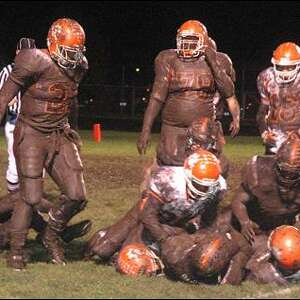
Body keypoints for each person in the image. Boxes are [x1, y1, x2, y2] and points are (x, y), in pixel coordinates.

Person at [0, 18, 88, 270]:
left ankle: (50, 235)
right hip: (32, 133)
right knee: (30, 196)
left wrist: (71, 127)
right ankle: (16, 251)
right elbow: (4, 97)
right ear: (52, 43)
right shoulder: (33, 59)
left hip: (59, 133)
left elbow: (70, 100)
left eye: (76, 51)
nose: (72, 57)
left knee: (76, 195)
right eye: (67, 50)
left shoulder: (80, 66)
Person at [85, 150, 227, 263]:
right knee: (103, 250)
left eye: (207, 186)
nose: (203, 189)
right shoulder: (167, 179)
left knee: (156, 256)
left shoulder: (218, 187)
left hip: (177, 221)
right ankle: (97, 242)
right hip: (148, 212)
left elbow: (209, 219)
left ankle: (125, 250)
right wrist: (163, 239)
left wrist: (199, 237)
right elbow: (147, 215)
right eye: (199, 184)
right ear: (187, 174)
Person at [137, 20, 240, 167]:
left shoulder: (220, 60)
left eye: (192, 41)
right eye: (184, 40)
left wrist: (212, 61)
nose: (187, 45)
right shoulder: (167, 59)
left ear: (203, 41)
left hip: (204, 129)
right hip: (173, 127)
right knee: (170, 167)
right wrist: (145, 130)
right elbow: (156, 98)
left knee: (205, 169)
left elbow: (229, 93)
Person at [231, 133, 300, 245]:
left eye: (292, 174)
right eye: (284, 172)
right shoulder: (259, 173)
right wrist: (245, 222)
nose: (286, 178)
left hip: (285, 227)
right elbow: (239, 201)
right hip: (258, 224)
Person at [0, 38, 36, 192]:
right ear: (17, 53)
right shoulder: (7, 71)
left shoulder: (39, 73)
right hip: (15, 121)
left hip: (34, 123)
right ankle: (13, 202)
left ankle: (29, 201)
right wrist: (8, 99)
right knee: (15, 164)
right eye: (24, 53)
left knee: (35, 164)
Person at [256, 42, 300, 154]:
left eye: (290, 67)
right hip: (276, 138)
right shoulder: (266, 77)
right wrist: (264, 133)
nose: (285, 72)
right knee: (272, 170)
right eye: (281, 67)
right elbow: (262, 112)